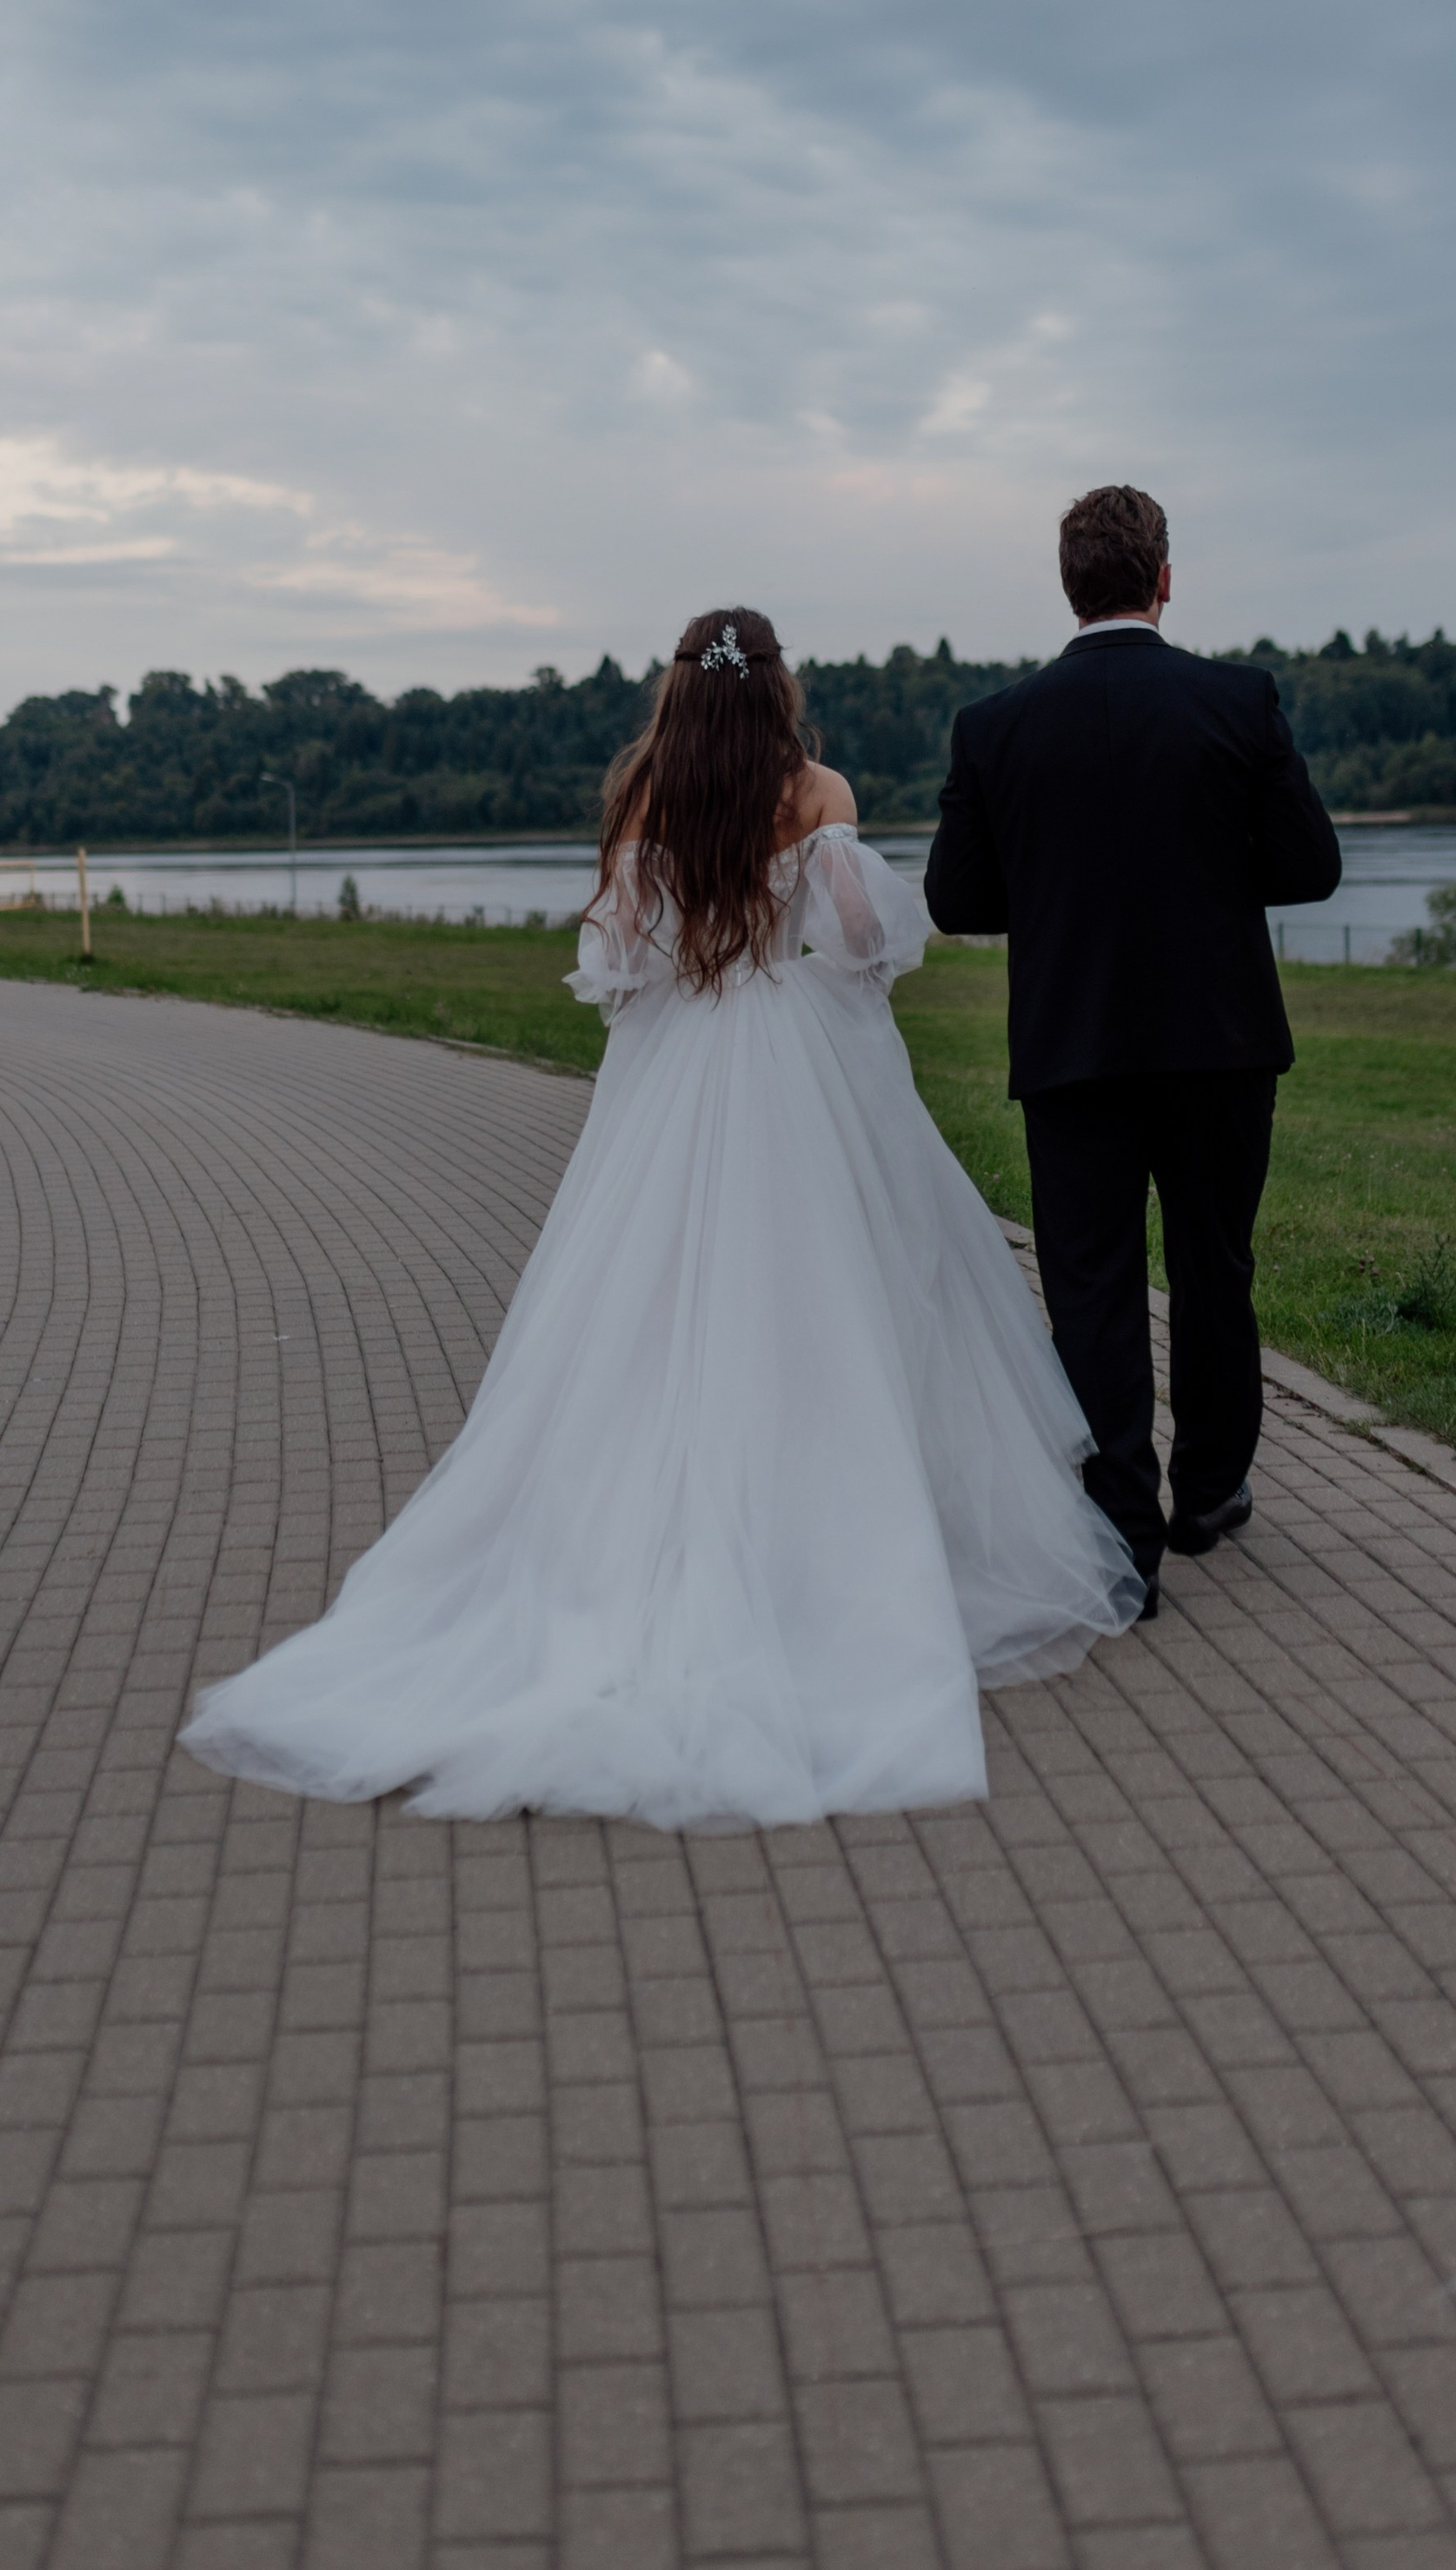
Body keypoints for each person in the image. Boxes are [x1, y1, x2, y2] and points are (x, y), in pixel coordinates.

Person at [181, 606, 1143, 1832]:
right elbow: (860, 940)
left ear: (679, 691)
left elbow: (623, 965)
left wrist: (696, 942)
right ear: (778, 687)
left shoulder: (647, 792)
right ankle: (834, 1550)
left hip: (685, 1066)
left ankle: (643, 1556)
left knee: (653, 1306)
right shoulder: (817, 789)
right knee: (834, 1299)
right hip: (801, 1068)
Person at [924, 489, 1341, 1614]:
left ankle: (1124, 1540)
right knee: (1216, 1267)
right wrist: (1201, 871)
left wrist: (1065, 889)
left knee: (1094, 1289)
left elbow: (957, 896)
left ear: (1070, 585)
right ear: (1165, 577)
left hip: (1074, 1043)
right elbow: (1310, 869)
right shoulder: (1236, 702)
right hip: (1218, 1040)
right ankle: (1210, 1495)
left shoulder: (997, 726)